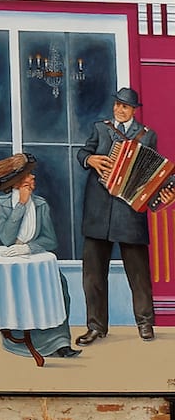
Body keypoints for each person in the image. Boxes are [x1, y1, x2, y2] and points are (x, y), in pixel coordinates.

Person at [77, 86, 159, 344]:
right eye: (116, 104)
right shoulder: (100, 129)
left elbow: (152, 168)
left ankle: (145, 324)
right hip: (98, 210)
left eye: (124, 106)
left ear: (134, 110)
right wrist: (91, 161)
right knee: (93, 274)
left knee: (139, 274)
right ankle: (96, 327)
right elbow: (83, 152)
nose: (118, 109)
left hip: (129, 211)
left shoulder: (147, 136)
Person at [0, 154, 78, 359]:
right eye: (28, 175)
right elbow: (7, 238)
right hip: (11, 260)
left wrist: (29, 248)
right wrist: (21, 205)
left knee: (59, 287)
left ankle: (59, 342)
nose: (32, 178)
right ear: (16, 182)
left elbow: (51, 241)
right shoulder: (0, 204)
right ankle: (19, 341)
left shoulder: (41, 204)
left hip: (35, 257)